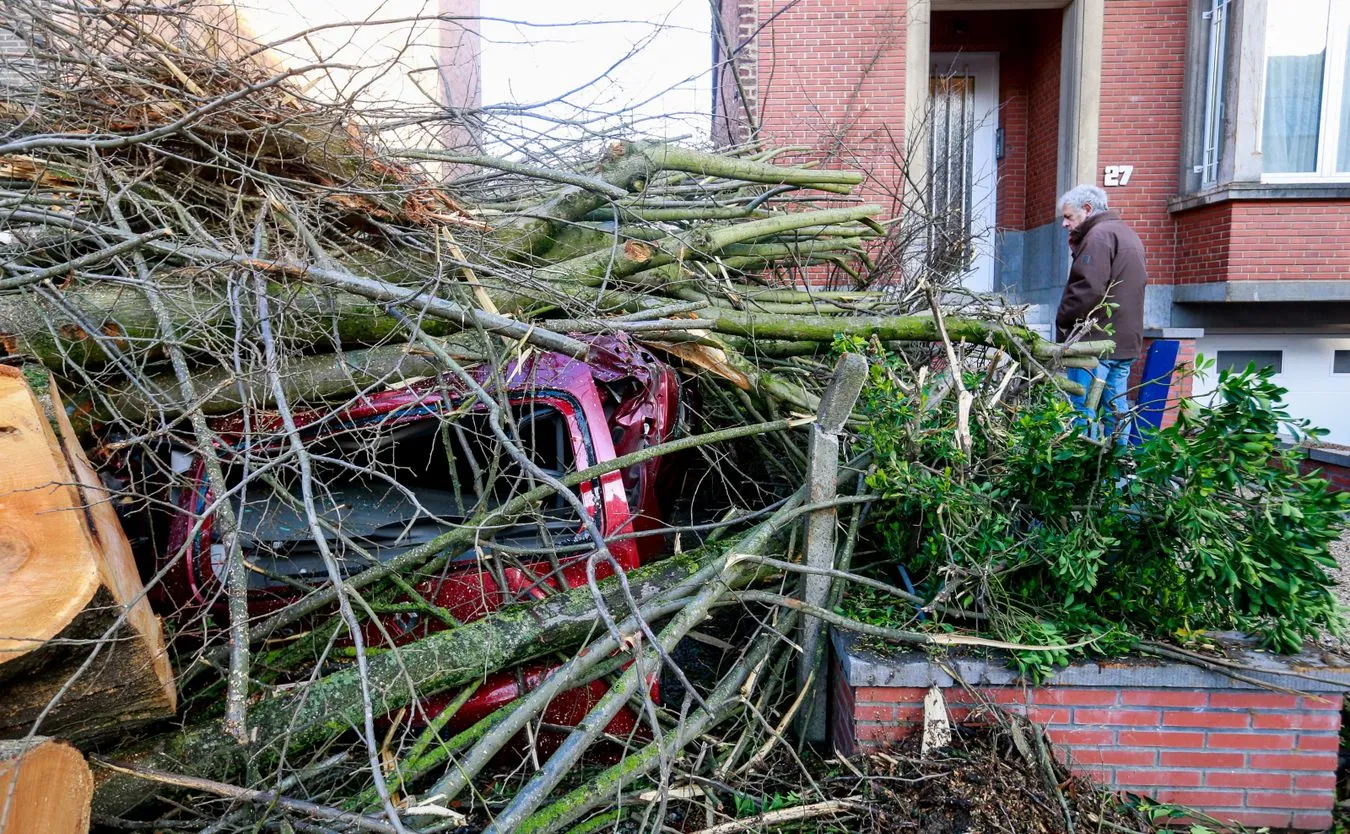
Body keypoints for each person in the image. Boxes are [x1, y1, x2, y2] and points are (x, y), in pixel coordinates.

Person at [1055, 184, 1146, 445]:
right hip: (1124, 341)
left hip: (1094, 342)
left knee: (1082, 411)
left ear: (1087, 209)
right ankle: (1116, 475)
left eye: (1068, 217)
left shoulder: (1098, 236)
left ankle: (1082, 472)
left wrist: (1063, 320)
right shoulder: (1127, 234)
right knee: (1117, 411)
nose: (1064, 224)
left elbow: (1086, 288)